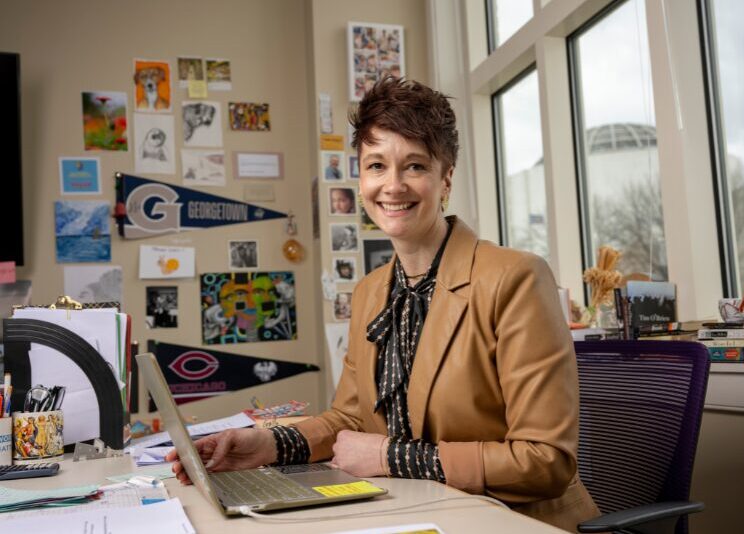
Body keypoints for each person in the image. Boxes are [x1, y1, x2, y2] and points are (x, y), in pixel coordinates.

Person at [167, 77, 598, 531]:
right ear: (360, 178)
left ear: (445, 177)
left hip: (513, 522)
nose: (392, 186)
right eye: (376, 166)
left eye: (414, 166)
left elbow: (546, 462)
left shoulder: (514, 277)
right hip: (414, 511)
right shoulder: (372, 291)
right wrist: (268, 444)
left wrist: (388, 455)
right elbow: (351, 418)